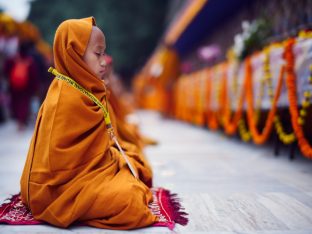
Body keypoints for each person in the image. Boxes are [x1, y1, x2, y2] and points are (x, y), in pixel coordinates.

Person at [20, 17, 157, 229]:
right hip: (56, 189)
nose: (104, 61)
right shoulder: (64, 96)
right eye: (97, 53)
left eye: (104, 53)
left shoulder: (86, 88)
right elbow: (59, 167)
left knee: (134, 166)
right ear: (74, 52)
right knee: (130, 201)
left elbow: (95, 147)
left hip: (88, 174)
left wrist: (111, 161)